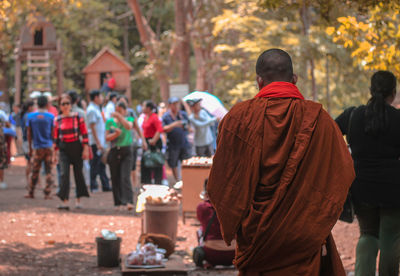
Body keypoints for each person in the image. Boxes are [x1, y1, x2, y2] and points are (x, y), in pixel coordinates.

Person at [206, 49, 355, 275]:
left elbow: (223, 184)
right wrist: (315, 216)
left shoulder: (238, 118)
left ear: (259, 80)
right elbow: (342, 173)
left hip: (256, 237)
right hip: (303, 234)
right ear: (294, 79)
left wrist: (241, 220)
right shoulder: (320, 120)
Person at [335, 71, 400, 276]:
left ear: (370, 91)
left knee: (367, 234)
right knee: (390, 236)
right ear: (393, 92)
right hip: (393, 187)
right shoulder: (398, 119)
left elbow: (329, 133)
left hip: (361, 186)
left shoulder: (353, 115)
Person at [106, 101, 147, 210]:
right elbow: (107, 137)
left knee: (125, 176)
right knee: (115, 177)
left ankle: (129, 201)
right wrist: (115, 134)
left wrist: (119, 117)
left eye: (120, 110)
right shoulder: (110, 122)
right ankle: (118, 202)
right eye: (117, 110)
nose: (118, 112)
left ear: (124, 111)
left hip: (127, 150)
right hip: (114, 150)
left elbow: (128, 126)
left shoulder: (129, 119)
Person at [53, 93, 90, 210]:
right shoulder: (57, 120)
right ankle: (65, 201)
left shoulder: (78, 117)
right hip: (64, 148)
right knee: (64, 174)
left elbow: (84, 134)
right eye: (63, 104)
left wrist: (85, 149)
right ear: (59, 106)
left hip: (76, 147)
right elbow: (55, 138)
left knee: (78, 173)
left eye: (67, 103)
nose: (65, 106)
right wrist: (55, 153)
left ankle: (78, 200)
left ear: (71, 105)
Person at [196, 179, 235, 267]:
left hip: (211, 254)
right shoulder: (234, 207)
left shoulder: (202, 207)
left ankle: (209, 263)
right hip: (234, 254)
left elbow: (202, 222)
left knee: (200, 230)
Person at [25, 95, 54, 199]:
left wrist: (30, 147)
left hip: (37, 147)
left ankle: (31, 192)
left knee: (34, 170)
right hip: (48, 146)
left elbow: (29, 134)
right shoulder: (50, 117)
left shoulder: (31, 117)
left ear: (37, 104)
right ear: (47, 104)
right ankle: (47, 193)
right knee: (49, 171)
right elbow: (52, 133)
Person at [86, 90, 111, 192]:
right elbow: (92, 128)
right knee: (94, 164)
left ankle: (105, 185)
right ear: (96, 97)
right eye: (100, 96)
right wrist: (98, 143)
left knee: (101, 165)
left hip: (100, 141)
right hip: (95, 142)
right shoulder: (91, 110)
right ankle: (93, 185)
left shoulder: (97, 109)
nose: (101, 99)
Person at [162, 97, 192, 182]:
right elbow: (164, 129)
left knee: (186, 162)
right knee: (173, 163)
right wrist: (175, 124)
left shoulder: (183, 114)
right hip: (172, 144)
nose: (176, 106)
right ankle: (177, 181)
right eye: (174, 104)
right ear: (170, 105)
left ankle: (186, 180)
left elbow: (189, 126)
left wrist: (187, 128)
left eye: (177, 104)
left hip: (184, 143)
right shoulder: (166, 116)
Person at [141, 101, 164, 184]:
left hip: (154, 142)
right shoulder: (145, 117)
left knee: (156, 162)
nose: (142, 108)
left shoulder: (154, 117)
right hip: (147, 142)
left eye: (143, 106)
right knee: (146, 163)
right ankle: (147, 183)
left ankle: (158, 183)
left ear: (148, 108)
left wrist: (154, 140)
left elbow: (160, 129)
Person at [21, 100, 35, 185]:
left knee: (30, 162)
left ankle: (30, 182)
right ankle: (30, 182)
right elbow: (28, 130)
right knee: (31, 162)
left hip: (26, 141)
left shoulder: (25, 115)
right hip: (28, 141)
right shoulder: (28, 116)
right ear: (30, 107)